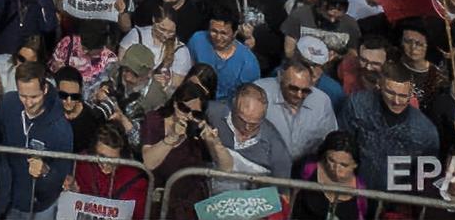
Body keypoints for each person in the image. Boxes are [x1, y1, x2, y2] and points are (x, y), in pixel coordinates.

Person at [337, 61, 440, 194]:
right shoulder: (357, 105)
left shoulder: (425, 131)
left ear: (411, 94)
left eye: (403, 96)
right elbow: (339, 145)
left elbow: (424, 178)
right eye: (390, 93)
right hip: (352, 188)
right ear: (379, 85)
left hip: (394, 199)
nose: (396, 101)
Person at [140, 80, 228, 220]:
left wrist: (215, 144)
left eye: (195, 113)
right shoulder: (154, 120)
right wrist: (172, 137)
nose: (188, 116)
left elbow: (226, 167)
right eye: (184, 108)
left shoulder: (200, 127)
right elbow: (149, 162)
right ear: (175, 103)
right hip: (159, 198)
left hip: (191, 201)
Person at [0, 61, 73, 220]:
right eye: (23, 96)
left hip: (42, 206)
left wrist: (45, 171)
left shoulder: (61, 129)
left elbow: (63, 176)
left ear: (45, 89)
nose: (29, 103)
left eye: (34, 96)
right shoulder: (7, 104)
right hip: (8, 200)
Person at [204, 82, 290, 193]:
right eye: (241, 120)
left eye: (254, 124)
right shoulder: (212, 112)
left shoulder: (277, 150)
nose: (247, 127)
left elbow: (282, 194)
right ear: (233, 106)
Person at [255, 59, 337, 168]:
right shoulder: (260, 92)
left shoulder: (322, 102)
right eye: (293, 88)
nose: (299, 95)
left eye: (305, 91)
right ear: (280, 78)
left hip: (303, 170)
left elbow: (330, 141)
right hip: (263, 167)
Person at [69, 122, 149, 219]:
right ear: (93, 151)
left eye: (113, 160)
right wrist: (73, 191)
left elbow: (139, 216)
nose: (106, 164)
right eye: (101, 156)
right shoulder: (82, 163)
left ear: (122, 156)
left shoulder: (137, 181)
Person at [187, 7, 260, 103]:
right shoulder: (197, 40)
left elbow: (246, 98)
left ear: (235, 33)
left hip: (225, 107)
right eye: (214, 31)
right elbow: (187, 69)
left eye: (223, 33)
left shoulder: (248, 63)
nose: (218, 37)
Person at [296, 130, 368, 220]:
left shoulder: (362, 191)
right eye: (331, 160)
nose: (336, 169)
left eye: (344, 165)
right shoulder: (307, 169)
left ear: (355, 164)